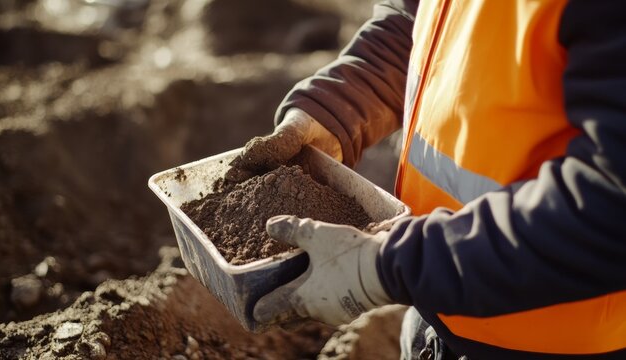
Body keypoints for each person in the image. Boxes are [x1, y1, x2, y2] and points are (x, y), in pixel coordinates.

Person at [234, 1, 626, 359]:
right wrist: (339, 108)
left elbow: (610, 211)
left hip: (555, 339)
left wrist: (389, 267)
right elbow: (422, 21)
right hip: (436, 303)